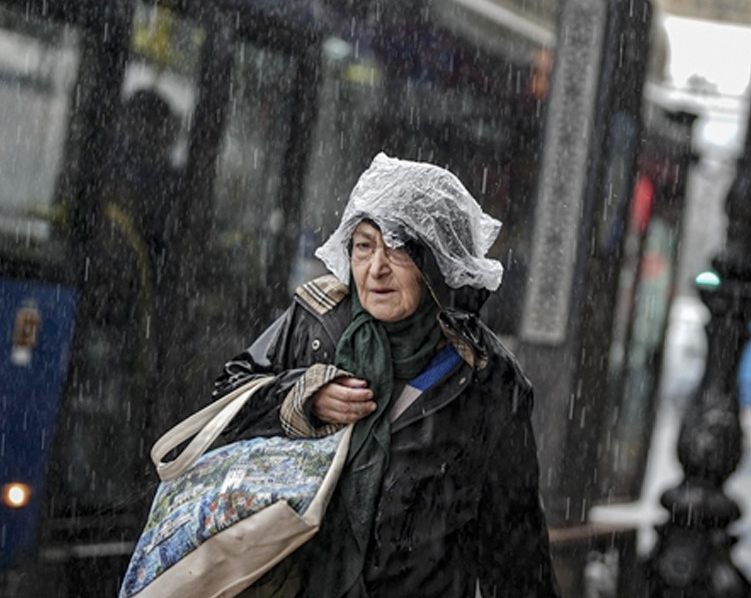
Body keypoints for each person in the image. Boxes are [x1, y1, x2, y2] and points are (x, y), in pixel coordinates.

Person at [214, 153, 558, 598]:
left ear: (437, 262)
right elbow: (227, 401)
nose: (375, 269)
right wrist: (301, 398)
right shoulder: (319, 324)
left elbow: (515, 545)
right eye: (363, 245)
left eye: (396, 250)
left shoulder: (487, 380)